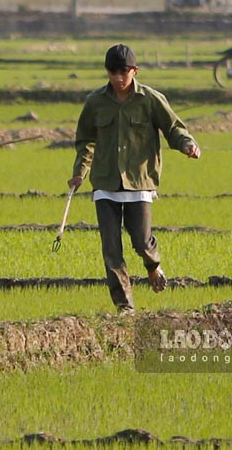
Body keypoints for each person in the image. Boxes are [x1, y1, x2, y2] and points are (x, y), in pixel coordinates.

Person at [68, 44, 200, 313]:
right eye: (113, 71)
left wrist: (187, 144)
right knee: (111, 249)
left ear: (134, 71)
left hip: (139, 182)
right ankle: (124, 306)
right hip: (105, 183)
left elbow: (173, 127)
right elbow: (85, 141)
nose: (118, 77)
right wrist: (79, 173)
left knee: (141, 240)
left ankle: (152, 265)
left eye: (124, 71)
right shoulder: (95, 102)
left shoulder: (150, 99)